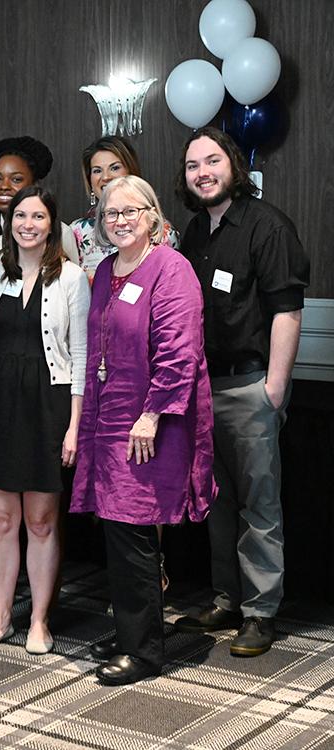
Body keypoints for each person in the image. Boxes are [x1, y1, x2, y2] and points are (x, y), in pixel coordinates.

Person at [70, 175, 215, 686]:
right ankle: (132, 632)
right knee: (117, 530)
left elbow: (180, 352)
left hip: (150, 424)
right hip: (108, 422)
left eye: (131, 211)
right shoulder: (105, 271)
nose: (121, 221)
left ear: (153, 217)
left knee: (135, 533)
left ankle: (144, 652)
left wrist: (151, 415)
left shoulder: (171, 269)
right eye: (111, 213)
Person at [173, 128, 310, 657]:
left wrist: (274, 388)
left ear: (233, 165)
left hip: (251, 384)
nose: (203, 172)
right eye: (193, 166)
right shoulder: (195, 231)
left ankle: (260, 612)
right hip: (204, 388)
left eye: (212, 161)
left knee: (259, 503)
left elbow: (287, 311)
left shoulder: (267, 226)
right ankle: (227, 599)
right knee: (218, 500)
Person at [0, 186, 89, 655]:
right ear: (9, 224)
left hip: (48, 407)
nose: (28, 224)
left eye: (38, 216)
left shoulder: (72, 278)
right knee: (1, 519)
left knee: (42, 520)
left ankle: (40, 621)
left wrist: (75, 425)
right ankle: (2, 617)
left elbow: (81, 356)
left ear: (53, 226)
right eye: (20, 216)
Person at [71, 136, 181, 282]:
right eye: (97, 170)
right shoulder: (76, 233)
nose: (106, 177)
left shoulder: (161, 231)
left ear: (131, 172)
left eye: (115, 168)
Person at [0, 136, 76, 265]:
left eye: (16, 179)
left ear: (34, 185)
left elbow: (74, 276)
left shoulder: (60, 232)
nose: (4, 186)